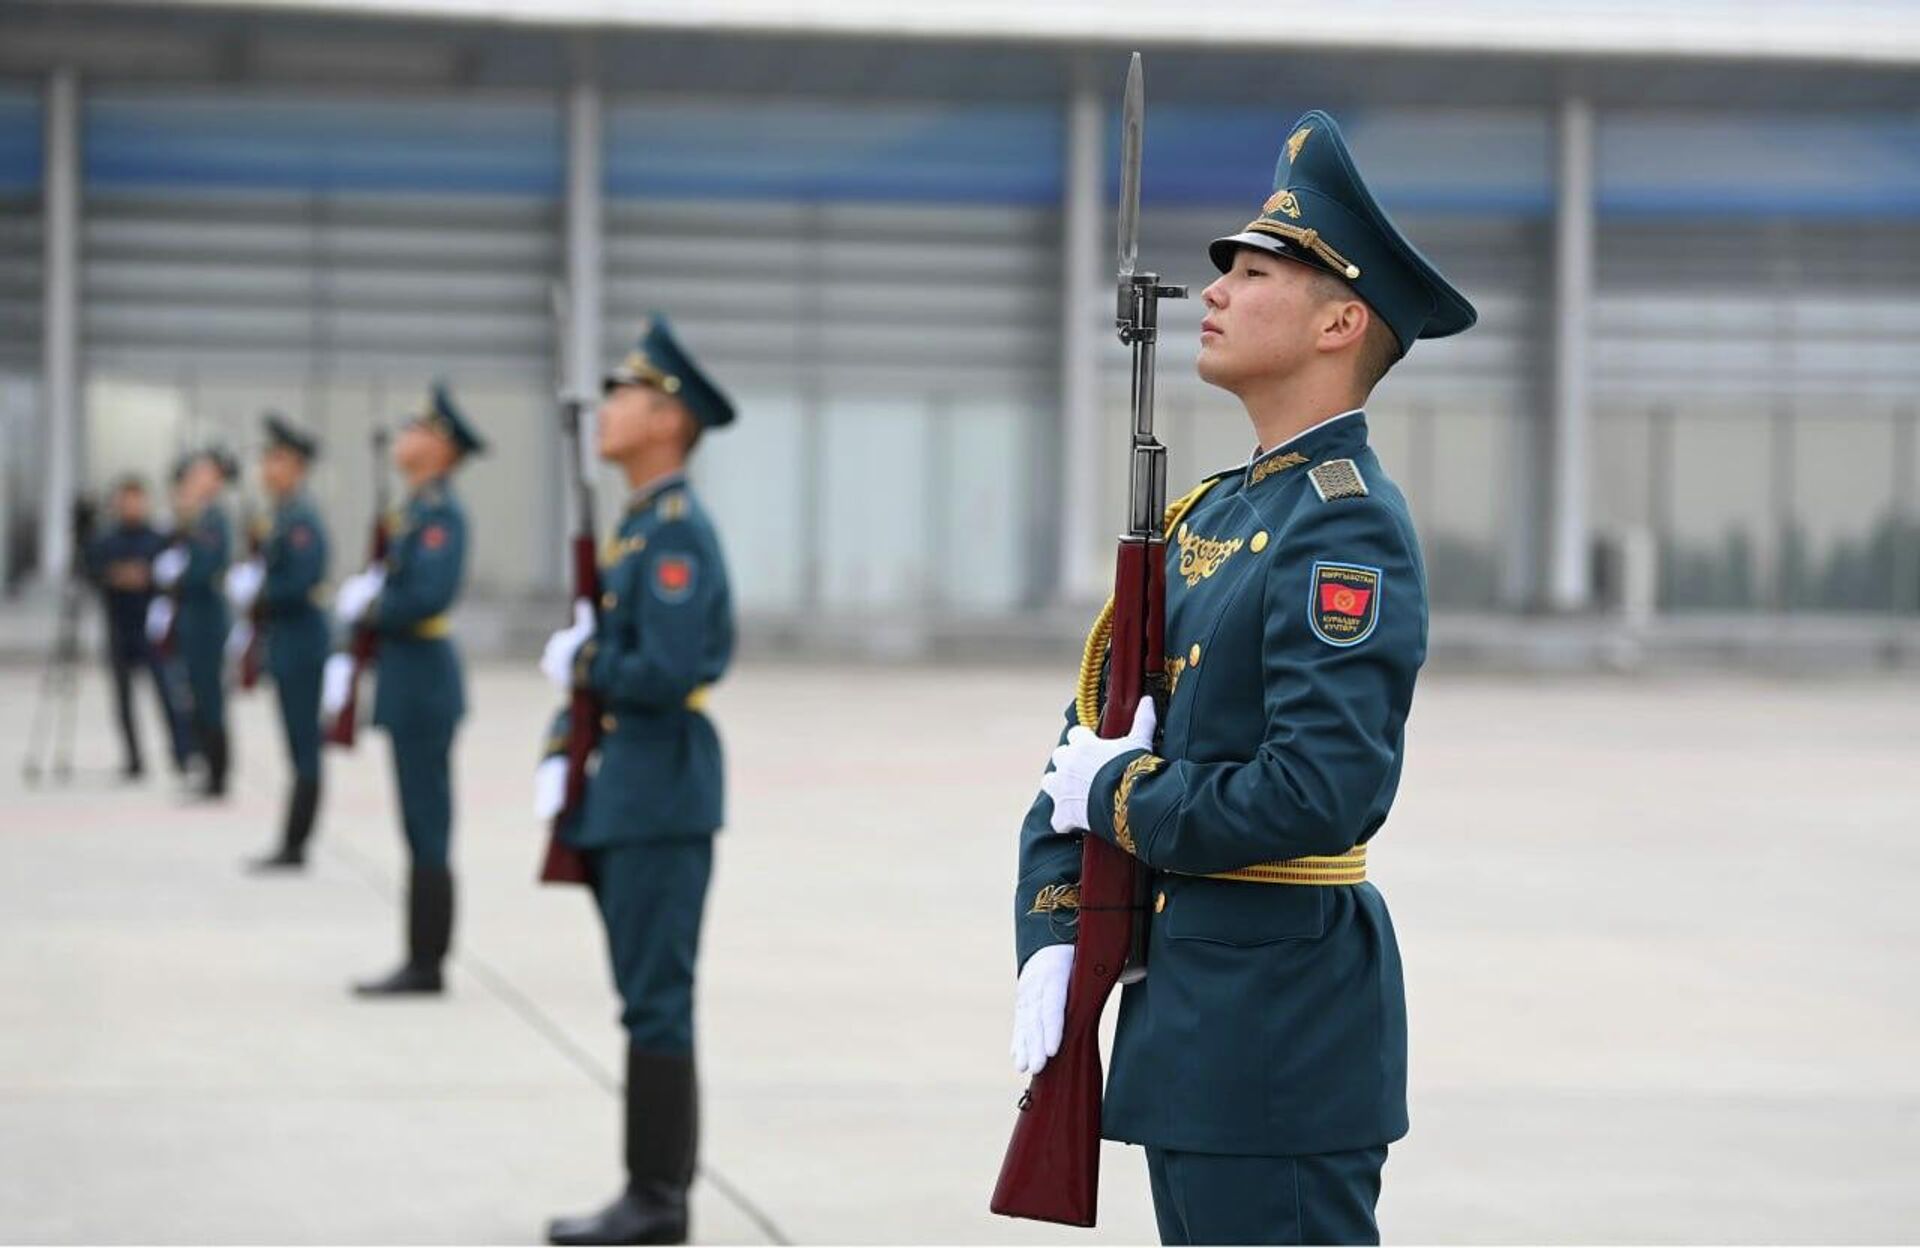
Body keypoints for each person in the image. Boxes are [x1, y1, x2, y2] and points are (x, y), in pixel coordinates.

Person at [1009, 111, 1477, 1246]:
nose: (1214, 289)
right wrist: (1054, 929)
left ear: (1341, 321)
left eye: (1254, 271)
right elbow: (1087, 739)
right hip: (1191, 1037)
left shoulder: (1343, 534)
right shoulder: (1217, 511)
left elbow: (1317, 793)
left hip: (1280, 1040)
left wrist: (1122, 797)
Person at [538, 316, 736, 1247]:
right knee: (641, 995)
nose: (606, 410)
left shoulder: (673, 535)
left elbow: (659, 673)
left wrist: (586, 667)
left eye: (623, 394)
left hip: (659, 793)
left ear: (666, 418)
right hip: (632, 789)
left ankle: (656, 1199)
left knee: (656, 997)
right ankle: (651, 1191)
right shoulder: (638, 526)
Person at [330, 383, 483, 996]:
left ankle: (427, 961)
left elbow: (426, 596)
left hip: (423, 683)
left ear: (441, 448)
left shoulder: (441, 516)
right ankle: (422, 955)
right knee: (417, 822)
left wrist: (373, 606)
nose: (404, 438)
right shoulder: (415, 511)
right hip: (408, 679)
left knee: (427, 823)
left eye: (417, 429)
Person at [230, 413, 330, 871]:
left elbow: (301, 580)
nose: (267, 469)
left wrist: (258, 592)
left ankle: (296, 843)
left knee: (304, 745)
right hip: (286, 642)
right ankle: (292, 839)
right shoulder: (281, 517)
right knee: (296, 745)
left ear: (297, 467)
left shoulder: (301, 520)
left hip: (301, 645)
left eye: (277, 460)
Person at [88, 476, 193, 780]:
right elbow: (95, 572)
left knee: (167, 692)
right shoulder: (106, 540)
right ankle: (133, 758)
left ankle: (181, 753)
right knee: (123, 700)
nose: (132, 506)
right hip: (119, 627)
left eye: (137, 499)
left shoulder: (158, 539)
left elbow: (167, 575)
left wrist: (139, 576)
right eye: (126, 499)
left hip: (152, 629)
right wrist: (122, 576)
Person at [152, 448, 237, 800]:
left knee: (209, 695)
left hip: (206, 618)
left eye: (203, 473)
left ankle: (217, 775)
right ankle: (205, 766)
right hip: (191, 616)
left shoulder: (214, 519)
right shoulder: (196, 517)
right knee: (195, 696)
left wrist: (176, 578)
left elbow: (203, 569)